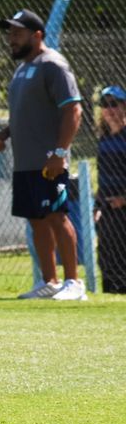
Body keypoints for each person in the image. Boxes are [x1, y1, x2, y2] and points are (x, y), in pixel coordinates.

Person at [0, 9, 84, 300]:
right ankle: (50, 282)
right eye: (10, 33)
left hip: (49, 162)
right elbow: (27, 112)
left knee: (57, 216)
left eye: (17, 33)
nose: (11, 39)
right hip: (25, 162)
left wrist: (59, 152)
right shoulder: (22, 69)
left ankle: (74, 283)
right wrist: (5, 133)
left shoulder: (52, 65)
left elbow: (73, 109)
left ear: (37, 35)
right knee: (36, 219)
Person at [95, 86, 126, 293]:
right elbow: (101, 177)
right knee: (106, 257)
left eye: (114, 104)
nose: (109, 110)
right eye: (105, 105)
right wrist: (97, 205)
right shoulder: (104, 140)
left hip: (123, 207)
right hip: (107, 208)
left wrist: (124, 199)